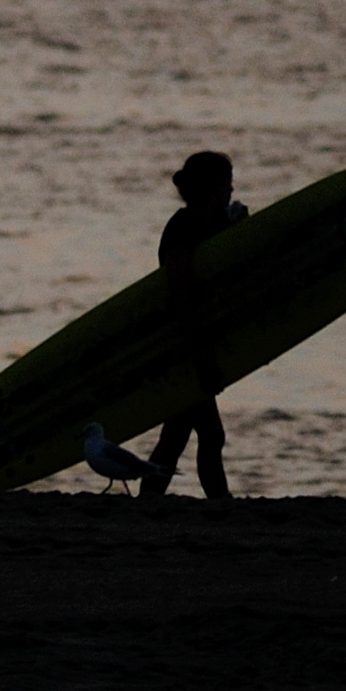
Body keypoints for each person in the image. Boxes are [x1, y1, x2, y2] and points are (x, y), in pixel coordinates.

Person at [142, 151, 245, 500]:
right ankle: (221, 504)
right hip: (182, 345)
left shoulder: (212, 227)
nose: (232, 190)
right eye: (226, 184)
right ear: (212, 188)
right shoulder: (181, 230)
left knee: (175, 438)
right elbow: (181, 296)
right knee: (210, 435)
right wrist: (199, 355)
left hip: (195, 341)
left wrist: (241, 231)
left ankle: (148, 503)